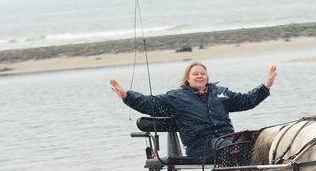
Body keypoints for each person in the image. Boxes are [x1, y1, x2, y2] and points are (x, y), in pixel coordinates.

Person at [110, 62, 277, 159]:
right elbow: (150, 103)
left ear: (207, 77)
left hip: (228, 139)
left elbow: (246, 101)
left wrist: (266, 86)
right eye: (195, 74)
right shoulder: (177, 97)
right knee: (231, 147)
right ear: (188, 79)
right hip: (200, 147)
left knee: (254, 142)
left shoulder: (221, 93)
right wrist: (126, 96)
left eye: (203, 73)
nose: (200, 76)